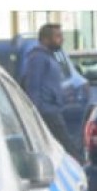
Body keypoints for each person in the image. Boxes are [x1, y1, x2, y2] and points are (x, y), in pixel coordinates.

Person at [21, 23, 81, 163]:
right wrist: (34, 112)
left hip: (52, 108)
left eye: (61, 36)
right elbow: (33, 86)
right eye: (57, 36)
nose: (62, 39)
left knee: (59, 145)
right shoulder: (38, 58)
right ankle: (80, 166)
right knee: (66, 144)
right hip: (45, 111)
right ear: (45, 39)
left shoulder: (52, 56)